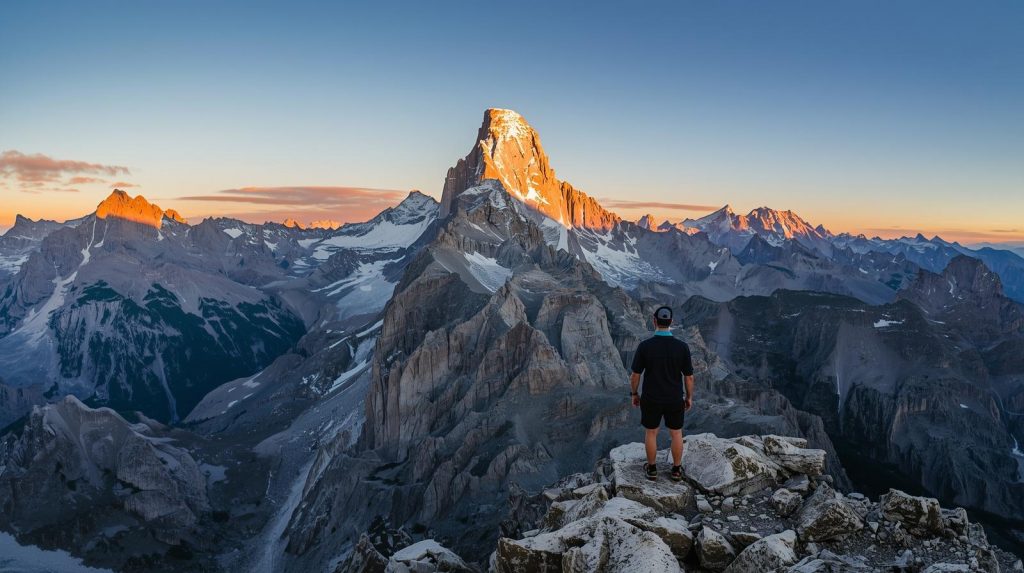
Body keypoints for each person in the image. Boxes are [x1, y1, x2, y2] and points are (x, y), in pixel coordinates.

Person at [629, 305, 695, 481]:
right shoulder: (682, 347)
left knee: (651, 432)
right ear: (671, 322)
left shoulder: (645, 346)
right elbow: (688, 377)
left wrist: (634, 394)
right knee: (676, 433)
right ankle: (676, 470)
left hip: (651, 398)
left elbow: (635, 375)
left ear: (654, 321)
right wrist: (688, 397)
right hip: (674, 398)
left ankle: (652, 469)